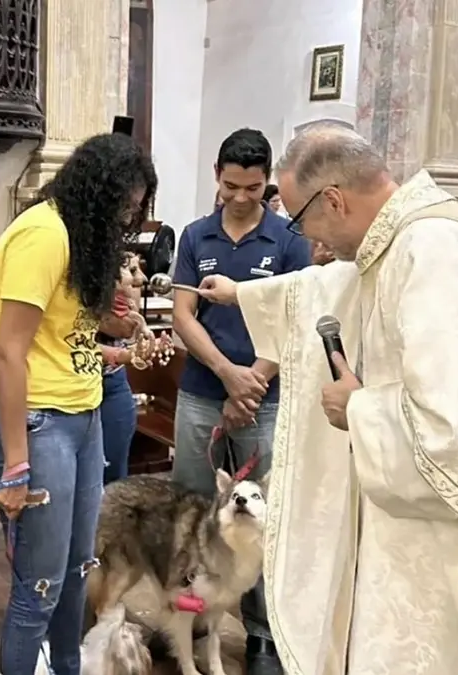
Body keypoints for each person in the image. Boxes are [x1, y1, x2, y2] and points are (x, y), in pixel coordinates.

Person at [196, 121, 458, 674]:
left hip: (449, 550)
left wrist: (360, 410)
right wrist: (243, 294)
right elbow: (335, 285)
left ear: (335, 200)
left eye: (300, 219)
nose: (311, 243)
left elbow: (457, 434)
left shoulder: (433, 255)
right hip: (414, 537)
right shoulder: (400, 242)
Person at [0, 132, 157, 675]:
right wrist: (14, 465)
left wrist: (120, 323)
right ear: (98, 192)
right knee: (38, 586)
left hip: (83, 414)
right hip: (39, 421)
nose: (128, 219)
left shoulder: (77, 235)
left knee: (79, 570)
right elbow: (10, 352)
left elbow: (65, 323)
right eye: (124, 205)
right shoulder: (42, 234)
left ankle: (67, 668)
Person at [170, 127, 310, 675]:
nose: (241, 197)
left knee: (263, 520)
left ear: (266, 182)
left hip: (264, 399)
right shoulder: (196, 236)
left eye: (253, 188)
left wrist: (253, 381)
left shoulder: (288, 241)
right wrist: (228, 375)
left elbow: (293, 317)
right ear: (217, 178)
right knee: (189, 512)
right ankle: (187, 619)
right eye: (232, 185)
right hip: (203, 392)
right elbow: (184, 315)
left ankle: (261, 635)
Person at [95, 253, 168, 484]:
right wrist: (127, 353)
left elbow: (126, 327)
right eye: (132, 270)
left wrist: (142, 342)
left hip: (114, 385)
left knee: (114, 478)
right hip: (71, 386)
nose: (141, 279)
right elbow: (115, 327)